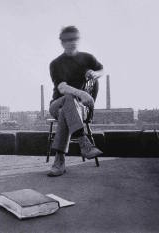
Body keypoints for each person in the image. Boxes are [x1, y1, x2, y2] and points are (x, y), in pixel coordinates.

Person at [47, 26, 104, 177]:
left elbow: (101, 70)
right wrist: (82, 93)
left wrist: (95, 74)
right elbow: (62, 87)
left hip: (79, 108)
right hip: (56, 103)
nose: (72, 42)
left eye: (75, 39)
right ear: (62, 42)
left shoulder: (87, 58)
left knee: (66, 110)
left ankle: (59, 161)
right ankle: (83, 141)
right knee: (68, 99)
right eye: (68, 40)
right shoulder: (56, 64)